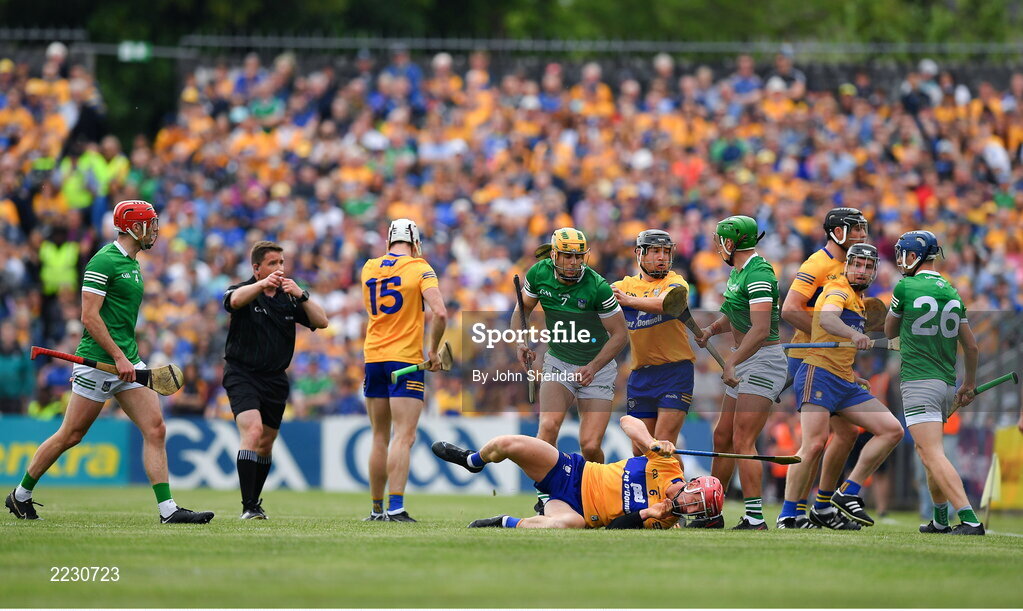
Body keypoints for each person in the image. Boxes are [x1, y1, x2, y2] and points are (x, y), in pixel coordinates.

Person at [6, 200, 214, 524]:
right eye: (151, 225)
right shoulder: (103, 261)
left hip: (128, 361)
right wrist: (117, 357)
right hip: (99, 362)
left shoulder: (133, 263)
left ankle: (168, 510)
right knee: (71, 435)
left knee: (156, 429)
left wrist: (127, 357)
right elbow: (88, 317)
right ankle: (20, 495)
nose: (155, 231)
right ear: (134, 227)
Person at [779, 243, 904, 528]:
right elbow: (827, 318)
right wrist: (852, 334)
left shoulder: (860, 300)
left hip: (843, 379)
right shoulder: (837, 289)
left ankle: (844, 494)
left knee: (891, 430)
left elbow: (840, 345)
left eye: (868, 266)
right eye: (857, 264)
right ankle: (788, 515)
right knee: (813, 445)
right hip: (818, 373)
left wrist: (852, 372)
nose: (862, 271)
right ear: (846, 266)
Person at [431, 415, 724, 529]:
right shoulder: (668, 463)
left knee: (564, 526)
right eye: (694, 497)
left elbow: (612, 531)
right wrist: (650, 442)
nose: (688, 504)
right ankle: (473, 461)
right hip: (572, 471)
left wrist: (647, 514)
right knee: (507, 444)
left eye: (695, 508)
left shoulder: (663, 520)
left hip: (577, 510)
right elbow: (626, 421)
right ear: (691, 483)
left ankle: (502, 522)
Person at [516, 228, 628, 512]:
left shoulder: (598, 286)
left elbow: (619, 335)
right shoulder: (538, 274)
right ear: (554, 254)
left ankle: (598, 496)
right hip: (559, 361)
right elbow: (522, 310)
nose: (573, 263)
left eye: (578, 257)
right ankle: (545, 498)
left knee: (590, 445)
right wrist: (520, 341)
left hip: (597, 368)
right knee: (548, 427)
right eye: (567, 256)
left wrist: (593, 367)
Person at [885, 231, 984, 535]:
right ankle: (941, 519)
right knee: (928, 452)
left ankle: (969, 519)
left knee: (931, 453)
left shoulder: (906, 286)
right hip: (945, 383)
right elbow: (972, 347)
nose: (901, 260)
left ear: (914, 256)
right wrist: (968, 384)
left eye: (904, 254)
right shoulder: (953, 291)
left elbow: (890, 330)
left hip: (918, 381)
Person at [693, 215, 788, 529]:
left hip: (763, 360)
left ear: (731, 243)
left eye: (721, 240)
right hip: (745, 357)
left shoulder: (760, 274)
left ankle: (755, 517)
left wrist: (732, 361)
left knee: (743, 439)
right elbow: (733, 313)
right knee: (723, 436)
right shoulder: (738, 272)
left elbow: (760, 329)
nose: (718, 245)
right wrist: (712, 329)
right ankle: (712, 513)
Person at [223, 240, 329, 519]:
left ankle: (254, 503)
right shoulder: (242, 290)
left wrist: (302, 295)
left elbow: (322, 322)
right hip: (242, 374)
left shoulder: (289, 297)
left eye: (282, 263)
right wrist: (261, 285)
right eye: (273, 264)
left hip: (275, 379)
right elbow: (233, 301)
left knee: (267, 442)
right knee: (253, 432)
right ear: (256, 268)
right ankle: (248, 506)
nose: (280, 269)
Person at [780, 207, 868, 530]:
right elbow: (789, 309)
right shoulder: (817, 264)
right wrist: (824, 333)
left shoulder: (853, 266)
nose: (861, 234)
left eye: (862, 228)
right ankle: (791, 513)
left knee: (847, 433)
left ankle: (822, 506)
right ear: (837, 232)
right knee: (814, 442)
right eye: (854, 229)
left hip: (834, 361)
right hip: (810, 358)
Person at [361, 219, 448, 522]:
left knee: (379, 437)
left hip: (373, 357)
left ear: (389, 241)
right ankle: (395, 507)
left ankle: (375, 509)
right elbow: (439, 312)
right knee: (404, 437)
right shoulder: (420, 267)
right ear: (415, 243)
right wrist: (434, 351)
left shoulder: (369, 267)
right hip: (406, 361)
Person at [610, 230, 696, 456]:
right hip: (640, 375)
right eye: (656, 251)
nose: (662, 257)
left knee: (661, 445)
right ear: (639, 254)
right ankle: (679, 488)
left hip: (674, 373)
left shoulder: (676, 281)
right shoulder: (623, 285)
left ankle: (679, 491)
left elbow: (667, 303)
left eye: (666, 252)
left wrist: (629, 301)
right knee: (642, 453)